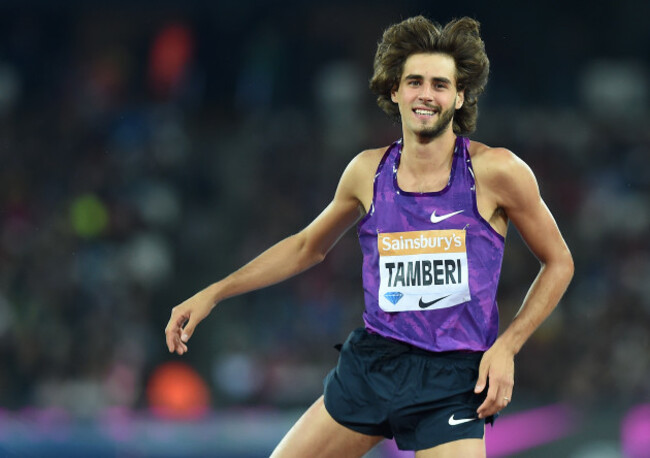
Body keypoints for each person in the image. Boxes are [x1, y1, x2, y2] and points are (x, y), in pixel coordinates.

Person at [165, 15, 574, 457]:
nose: (426, 95)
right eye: (414, 81)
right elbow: (306, 246)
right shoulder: (367, 171)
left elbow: (559, 262)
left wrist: (508, 346)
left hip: (454, 379)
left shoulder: (496, 172)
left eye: (440, 84)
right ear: (395, 90)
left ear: (460, 96)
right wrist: (214, 292)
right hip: (373, 366)